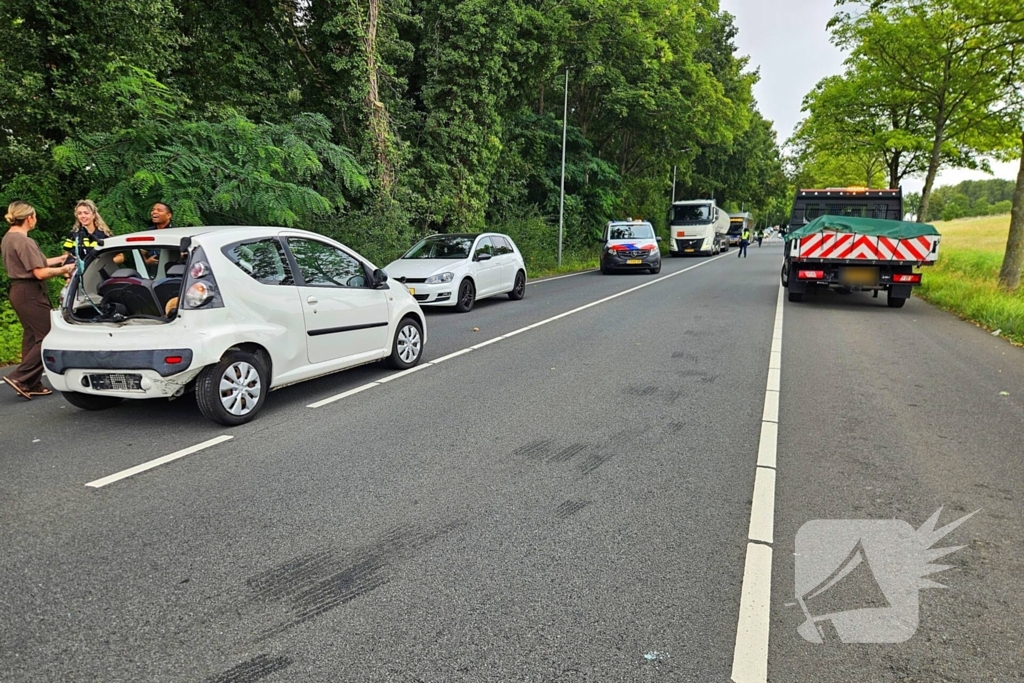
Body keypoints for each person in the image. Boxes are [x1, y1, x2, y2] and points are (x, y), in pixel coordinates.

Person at [2, 201, 76, 400]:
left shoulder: (9, 238)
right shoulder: (24, 241)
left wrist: (62, 259)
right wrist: (64, 269)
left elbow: (39, 263)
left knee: (32, 336)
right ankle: (19, 377)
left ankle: (31, 382)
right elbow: (40, 272)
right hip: (30, 292)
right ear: (29, 218)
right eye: (35, 217)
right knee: (49, 335)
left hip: (18, 291)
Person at [63, 199, 123, 268]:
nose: (83, 216)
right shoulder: (72, 235)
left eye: (86, 213)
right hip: (79, 275)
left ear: (93, 215)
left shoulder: (105, 234)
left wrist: (101, 264)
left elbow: (120, 257)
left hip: (99, 275)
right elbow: (65, 256)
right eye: (79, 213)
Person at [143, 202, 175, 267]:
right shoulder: (149, 232)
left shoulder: (175, 232)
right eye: (153, 210)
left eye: (159, 210)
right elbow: (142, 252)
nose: (154, 212)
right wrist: (146, 262)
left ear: (169, 215)